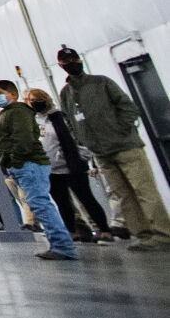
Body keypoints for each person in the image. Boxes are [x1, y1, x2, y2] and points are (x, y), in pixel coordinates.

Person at [58, 45, 170, 250]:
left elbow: (128, 107)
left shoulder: (101, 83)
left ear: (80, 59)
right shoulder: (66, 93)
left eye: (73, 59)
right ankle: (142, 234)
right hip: (100, 153)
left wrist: (120, 131)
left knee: (144, 190)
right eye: (66, 62)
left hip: (125, 147)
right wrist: (82, 142)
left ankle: (163, 234)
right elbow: (69, 121)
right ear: (60, 65)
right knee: (123, 196)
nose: (70, 64)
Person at [0, 79, 77, 261]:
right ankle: (59, 244)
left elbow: (23, 140)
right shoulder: (8, 113)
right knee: (39, 203)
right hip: (22, 164)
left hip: (28, 164)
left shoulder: (19, 112)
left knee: (40, 203)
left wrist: (11, 159)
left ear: (13, 94)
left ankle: (62, 246)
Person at [24, 88, 113, 244]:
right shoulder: (34, 121)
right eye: (28, 100)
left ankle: (104, 230)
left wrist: (84, 158)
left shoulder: (59, 117)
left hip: (72, 166)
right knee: (62, 202)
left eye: (33, 100)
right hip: (51, 169)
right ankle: (72, 232)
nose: (30, 103)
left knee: (86, 198)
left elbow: (73, 139)